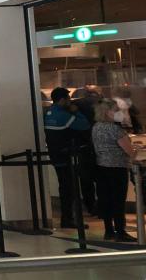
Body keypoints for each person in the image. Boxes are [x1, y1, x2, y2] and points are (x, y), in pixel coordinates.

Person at [44, 87, 91, 228]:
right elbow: (84, 125)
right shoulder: (63, 115)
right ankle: (68, 219)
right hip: (66, 156)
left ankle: (67, 218)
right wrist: (77, 112)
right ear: (63, 100)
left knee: (64, 187)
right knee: (69, 189)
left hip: (56, 155)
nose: (70, 101)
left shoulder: (49, 113)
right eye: (68, 99)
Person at [92, 98, 137, 242]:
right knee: (118, 200)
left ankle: (109, 230)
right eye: (116, 110)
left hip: (101, 167)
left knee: (106, 199)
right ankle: (120, 231)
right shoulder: (115, 129)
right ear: (107, 112)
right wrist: (135, 152)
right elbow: (129, 151)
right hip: (117, 168)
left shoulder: (96, 127)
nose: (119, 113)